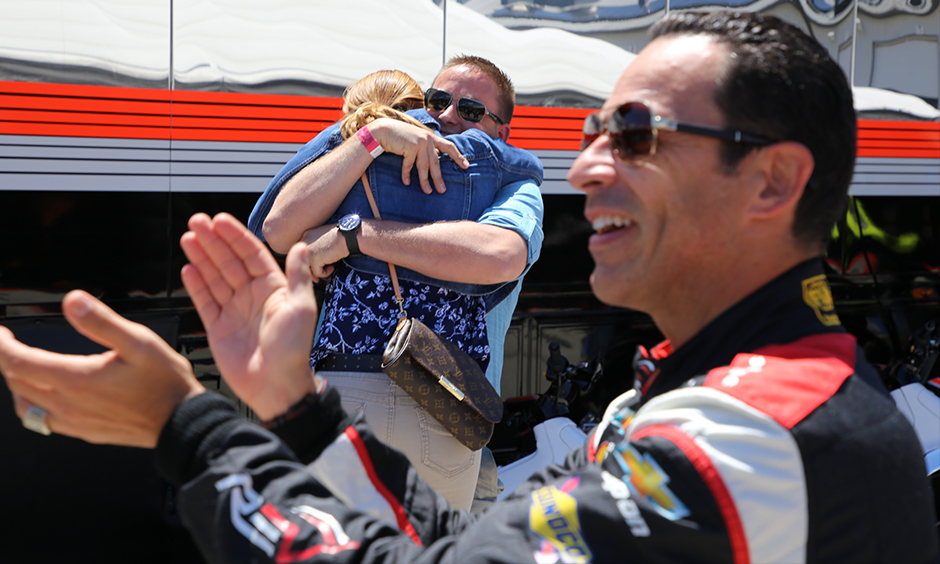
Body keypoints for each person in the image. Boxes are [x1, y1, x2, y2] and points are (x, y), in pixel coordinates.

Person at [2, 12, 938, 564]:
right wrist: (294, 411)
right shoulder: (727, 397)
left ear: (773, 182)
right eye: (597, 135)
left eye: (639, 137)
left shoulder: (755, 432)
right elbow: (459, 541)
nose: (590, 171)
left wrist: (187, 427)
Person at [248, 58, 543, 510]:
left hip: (423, 402)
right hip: (438, 408)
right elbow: (280, 230)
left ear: (503, 130)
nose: (446, 117)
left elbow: (499, 255)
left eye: (470, 109)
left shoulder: (511, 182)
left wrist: (355, 235)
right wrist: (373, 137)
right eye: (437, 101)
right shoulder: (380, 154)